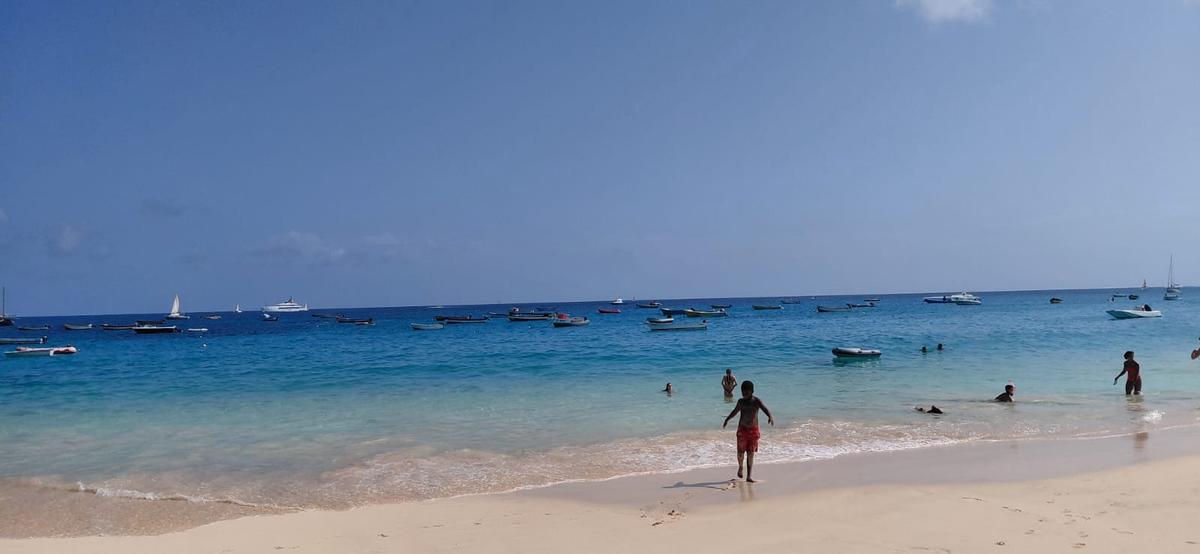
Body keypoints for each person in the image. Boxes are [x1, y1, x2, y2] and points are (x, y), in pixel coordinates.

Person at [722, 380, 773, 482]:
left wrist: (770, 416)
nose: (744, 393)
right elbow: (735, 412)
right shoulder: (741, 402)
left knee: (750, 453)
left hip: (754, 431)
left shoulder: (756, 401)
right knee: (740, 453)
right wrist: (727, 419)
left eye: (746, 391)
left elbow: (764, 409)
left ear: (752, 391)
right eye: (743, 391)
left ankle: (749, 476)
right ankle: (741, 467)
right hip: (742, 430)